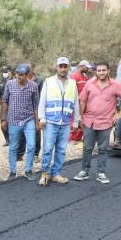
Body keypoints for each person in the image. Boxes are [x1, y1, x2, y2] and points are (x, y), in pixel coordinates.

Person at [74, 61, 121, 184]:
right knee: (87, 148)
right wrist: (81, 117)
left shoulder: (116, 85)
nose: (101, 73)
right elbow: (82, 101)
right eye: (99, 70)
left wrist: (119, 114)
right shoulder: (89, 83)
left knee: (103, 149)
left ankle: (101, 173)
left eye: (103, 70)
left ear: (108, 71)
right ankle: (85, 171)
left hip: (106, 122)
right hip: (89, 121)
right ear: (95, 71)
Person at [38, 57, 80, 186]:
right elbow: (42, 101)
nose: (63, 69)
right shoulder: (49, 81)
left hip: (66, 123)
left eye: (65, 66)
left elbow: (76, 103)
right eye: (60, 66)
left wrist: (76, 121)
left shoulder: (73, 83)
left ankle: (55, 173)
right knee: (47, 149)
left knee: (61, 150)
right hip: (50, 121)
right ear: (57, 67)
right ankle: (45, 173)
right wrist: (42, 118)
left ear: (68, 68)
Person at [1, 64, 39, 180]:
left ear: (28, 75)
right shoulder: (10, 84)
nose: (19, 77)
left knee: (31, 146)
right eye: (17, 74)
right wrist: (3, 119)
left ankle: (28, 169)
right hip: (13, 120)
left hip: (28, 120)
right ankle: (12, 171)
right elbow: (5, 101)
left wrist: (37, 122)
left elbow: (35, 106)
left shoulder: (33, 86)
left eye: (22, 75)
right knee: (13, 146)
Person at [18, 62, 44, 161]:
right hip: (22, 111)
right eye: (26, 68)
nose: (27, 70)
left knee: (36, 131)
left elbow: (42, 96)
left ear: (33, 69)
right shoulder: (19, 79)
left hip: (35, 110)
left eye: (29, 68)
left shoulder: (39, 80)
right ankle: (20, 154)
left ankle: (35, 154)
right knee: (21, 132)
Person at [69, 60, 91, 142]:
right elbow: (70, 91)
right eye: (86, 67)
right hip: (76, 103)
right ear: (81, 66)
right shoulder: (74, 76)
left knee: (82, 120)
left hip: (84, 103)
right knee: (75, 120)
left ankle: (78, 138)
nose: (87, 69)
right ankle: (72, 139)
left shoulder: (85, 76)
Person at [0, 66, 13, 147]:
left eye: (7, 71)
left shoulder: (15, 81)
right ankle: (7, 140)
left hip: (13, 106)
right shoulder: (1, 82)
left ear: (11, 72)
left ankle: (13, 140)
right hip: (4, 106)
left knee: (12, 124)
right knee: (3, 124)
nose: (5, 73)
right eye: (4, 72)